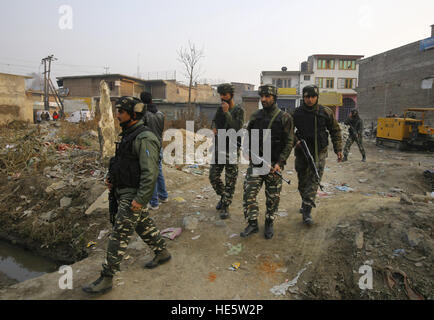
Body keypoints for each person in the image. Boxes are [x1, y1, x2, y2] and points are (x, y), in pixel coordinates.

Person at [82, 96, 171, 294]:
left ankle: (107, 277)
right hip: (122, 190)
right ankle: (162, 252)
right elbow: (121, 161)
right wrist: (110, 177)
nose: (117, 115)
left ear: (133, 114)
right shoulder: (127, 135)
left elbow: (151, 173)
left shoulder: (145, 137)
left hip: (133, 194)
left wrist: (140, 199)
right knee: (143, 225)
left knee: (119, 235)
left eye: (121, 112)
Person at [240, 84, 294, 239]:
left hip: (273, 166)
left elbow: (289, 143)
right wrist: (246, 151)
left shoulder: (285, 118)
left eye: (267, 96)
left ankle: (269, 221)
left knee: (273, 198)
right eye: (262, 96)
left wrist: (280, 163)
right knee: (249, 194)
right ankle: (252, 223)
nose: (263, 99)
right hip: (256, 164)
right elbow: (248, 135)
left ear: (274, 97)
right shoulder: (256, 116)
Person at [293, 85, 343, 225]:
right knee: (302, 182)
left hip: (320, 152)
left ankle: (307, 210)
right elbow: (288, 130)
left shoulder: (325, 112)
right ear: (303, 97)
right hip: (302, 152)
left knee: (314, 180)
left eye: (313, 96)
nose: (310, 99)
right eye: (307, 97)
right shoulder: (296, 113)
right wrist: (296, 141)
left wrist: (338, 149)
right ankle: (305, 201)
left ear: (317, 97)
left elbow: (335, 130)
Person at [209, 83, 245, 219]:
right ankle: (224, 197)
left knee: (230, 180)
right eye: (221, 95)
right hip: (219, 148)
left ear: (231, 95)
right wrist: (213, 127)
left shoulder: (239, 110)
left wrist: (227, 112)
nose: (222, 97)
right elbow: (214, 121)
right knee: (213, 177)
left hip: (231, 150)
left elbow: (237, 127)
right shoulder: (220, 109)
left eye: (224, 94)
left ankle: (225, 206)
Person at [140, 91, 168, 210]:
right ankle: (163, 196)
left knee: (151, 174)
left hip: (149, 147)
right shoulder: (161, 114)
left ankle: (154, 202)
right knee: (159, 171)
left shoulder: (144, 115)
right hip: (159, 145)